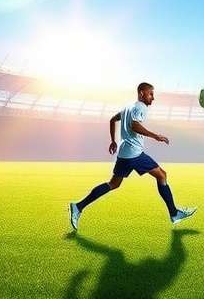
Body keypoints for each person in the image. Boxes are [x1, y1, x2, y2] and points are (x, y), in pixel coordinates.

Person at [69, 82, 196, 230]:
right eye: (151, 94)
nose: (153, 98)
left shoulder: (128, 107)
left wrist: (113, 141)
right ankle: (174, 214)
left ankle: (78, 206)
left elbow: (112, 120)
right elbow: (134, 126)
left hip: (124, 154)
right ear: (142, 93)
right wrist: (155, 136)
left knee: (113, 184)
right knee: (162, 175)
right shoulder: (140, 107)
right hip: (135, 155)